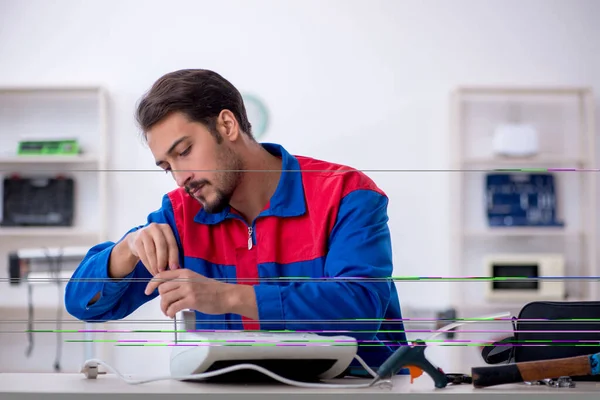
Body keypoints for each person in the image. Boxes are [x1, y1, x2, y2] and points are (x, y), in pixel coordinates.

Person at [64, 69, 408, 377]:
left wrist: (227, 297)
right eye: (168, 166)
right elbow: (84, 305)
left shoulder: (346, 194)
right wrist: (125, 250)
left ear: (226, 125)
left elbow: (360, 308)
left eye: (184, 151)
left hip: (357, 387)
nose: (181, 177)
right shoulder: (181, 214)